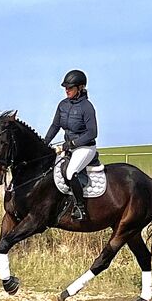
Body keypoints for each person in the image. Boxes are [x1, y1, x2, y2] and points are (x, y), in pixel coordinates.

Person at [44, 69, 98, 220]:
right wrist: (44, 143)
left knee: (70, 172)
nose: (67, 90)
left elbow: (92, 133)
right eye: (65, 88)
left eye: (70, 88)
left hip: (85, 147)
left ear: (80, 88)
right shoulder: (63, 105)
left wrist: (72, 144)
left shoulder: (87, 107)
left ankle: (81, 208)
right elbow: (55, 126)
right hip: (67, 146)